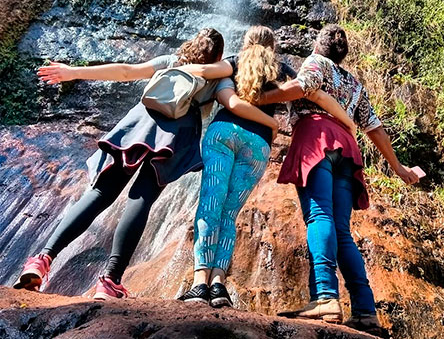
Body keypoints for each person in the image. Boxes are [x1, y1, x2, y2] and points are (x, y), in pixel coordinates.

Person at [13, 28, 258, 300]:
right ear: (220, 55)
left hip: (139, 122)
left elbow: (126, 71)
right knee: (140, 200)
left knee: (99, 193)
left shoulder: (172, 61)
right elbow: (231, 102)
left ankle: (42, 259)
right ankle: (110, 281)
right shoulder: (217, 75)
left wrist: (73, 72)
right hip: (176, 135)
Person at [177, 26, 357, 307]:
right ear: (273, 47)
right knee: (229, 214)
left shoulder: (235, 62)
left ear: (246, 43)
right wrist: (348, 122)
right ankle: (219, 285)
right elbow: (316, 95)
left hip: (223, 133)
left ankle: (200, 282)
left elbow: (201, 71)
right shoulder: (282, 69)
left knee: (211, 205)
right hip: (258, 144)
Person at [257, 24, 420, 334]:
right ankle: (364, 310)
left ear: (319, 45)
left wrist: (264, 96)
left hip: (316, 137)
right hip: (347, 149)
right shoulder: (355, 84)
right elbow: (374, 127)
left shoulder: (316, 63)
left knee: (319, 215)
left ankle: (325, 296)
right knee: (342, 231)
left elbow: (302, 87)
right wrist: (399, 168)